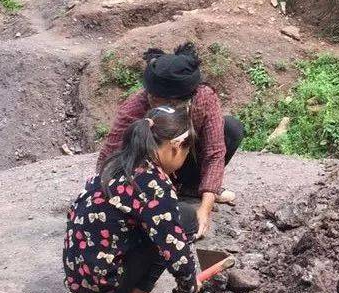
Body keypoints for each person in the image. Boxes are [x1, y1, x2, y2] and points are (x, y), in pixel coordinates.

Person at [64, 106, 202, 293]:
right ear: (175, 147)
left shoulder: (118, 164)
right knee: (184, 218)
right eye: (187, 153)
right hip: (105, 290)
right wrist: (189, 282)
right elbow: (173, 243)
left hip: (78, 280)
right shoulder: (154, 182)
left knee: (157, 220)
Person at [97, 42, 244, 242]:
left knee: (231, 129)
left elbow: (214, 153)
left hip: (184, 161)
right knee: (179, 219)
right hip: (148, 175)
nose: (156, 103)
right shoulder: (133, 111)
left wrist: (205, 209)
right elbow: (109, 160)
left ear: (182, 100)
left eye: (165, 103)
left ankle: (193, 188)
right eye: (153, 98)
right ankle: (167, 192)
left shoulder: (204, 99)